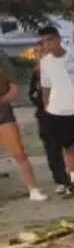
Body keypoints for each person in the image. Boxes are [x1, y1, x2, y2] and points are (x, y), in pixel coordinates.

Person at [36, 27, 74, 198]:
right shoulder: (45, 62)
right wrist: (47, 106)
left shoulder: (73, 56)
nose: (46, 44)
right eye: (43, 41)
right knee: (68, 147)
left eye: (49, 40)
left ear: (57, 39)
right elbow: (45, 87)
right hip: (57, 110)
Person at [0, 52, 47, 201]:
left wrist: (2, 102)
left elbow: (14, 88)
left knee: (18, 152)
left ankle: (33, 189)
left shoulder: (2, 60)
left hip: (3, 111)